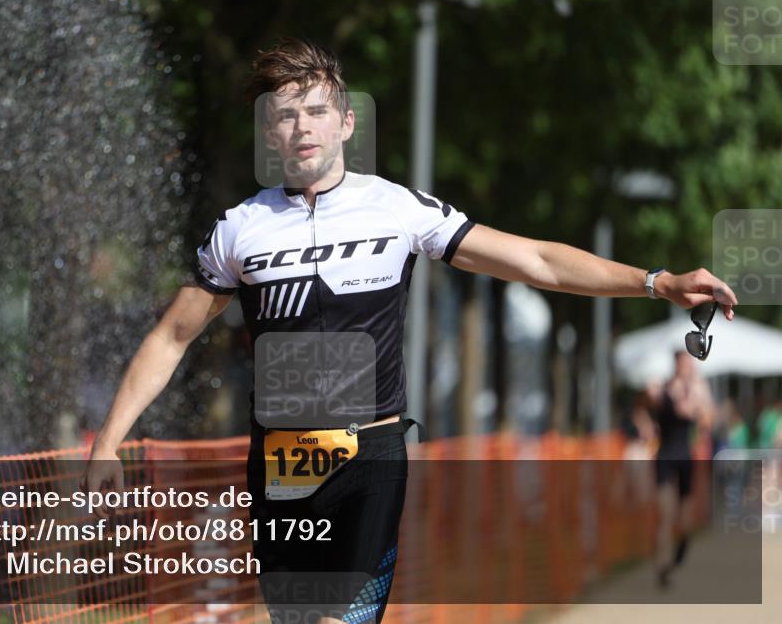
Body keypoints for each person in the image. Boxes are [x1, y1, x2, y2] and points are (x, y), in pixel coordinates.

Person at [83, 38, 738, 623]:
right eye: (285, 114)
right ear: (271, 134)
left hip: (369, 455)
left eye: (315, 110)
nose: (301, 125)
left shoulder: (397, 208)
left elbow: (536, 259)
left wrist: (657, 281)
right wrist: (109, 440)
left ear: (346, 123)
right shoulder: (239, 228)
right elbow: (171, 336)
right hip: (278, 462)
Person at [648, 350, 715, 589]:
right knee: (665, 515)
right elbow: (654, 404)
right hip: (665, 456)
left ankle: (681, 547)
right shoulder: (664, 388)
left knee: (685, 520)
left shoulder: (697, 390)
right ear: (676, 364)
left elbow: (707, 420)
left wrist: (699, 402)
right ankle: (662, 565)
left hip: (685, 458)